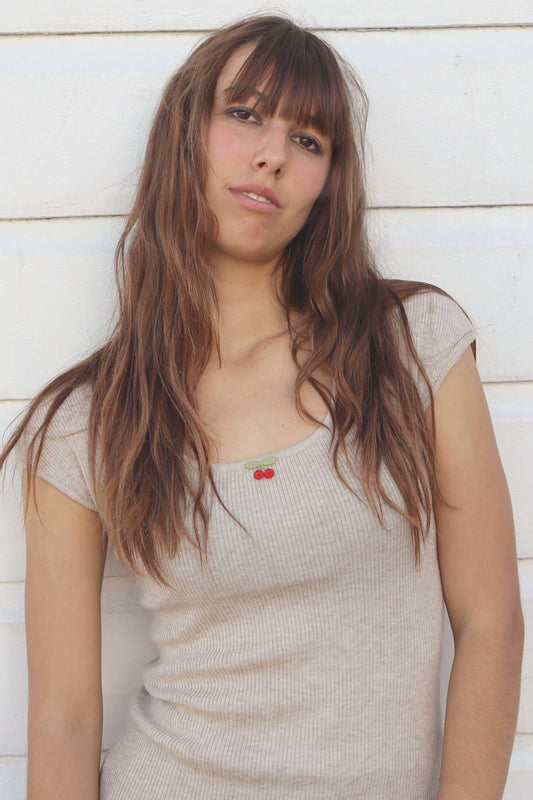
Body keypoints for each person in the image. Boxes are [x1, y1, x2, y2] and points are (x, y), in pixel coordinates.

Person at [0, 14, 524, 800]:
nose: (272, 154)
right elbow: (64, 719)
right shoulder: (85, 423)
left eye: (308, 141)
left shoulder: (413, 346)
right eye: (242, 114)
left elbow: (490, 620)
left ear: (327, 183)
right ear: (186, 133)